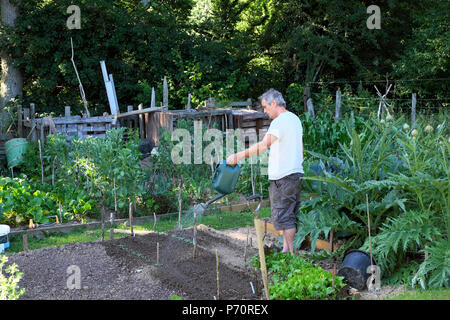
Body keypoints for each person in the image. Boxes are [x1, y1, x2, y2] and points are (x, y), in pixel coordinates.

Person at [226, 88, 304, 254]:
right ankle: (286, 249)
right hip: (294, 174)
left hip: (284, 177)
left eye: (265, 107)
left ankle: (290, 254)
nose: (264, 111)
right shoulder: (295, 119)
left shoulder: (280, 122)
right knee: (287, 213)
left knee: (285, 216)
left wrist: (238, 156)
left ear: (274, 103)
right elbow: (301, 149)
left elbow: (263, 145)